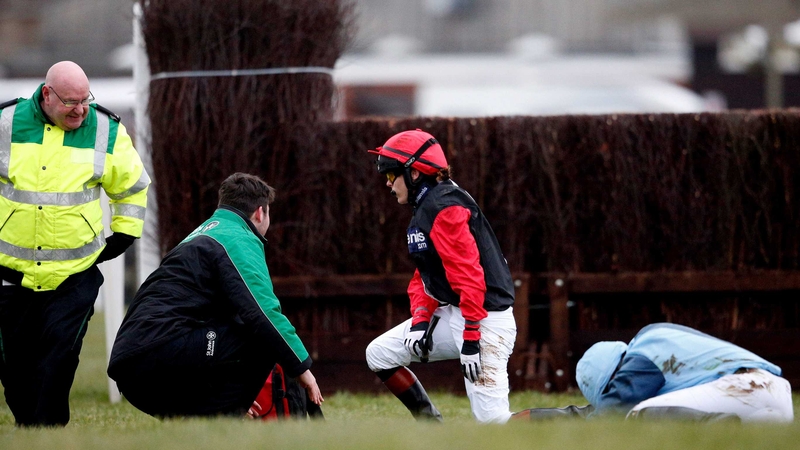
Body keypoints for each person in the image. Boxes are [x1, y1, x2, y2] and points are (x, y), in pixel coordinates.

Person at [0, 61, 150, 427]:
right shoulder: (6, 123)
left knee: (59, 356)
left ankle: (49, 430)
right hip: (9, 273)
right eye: (71, 101)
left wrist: (123, 237)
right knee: (14, 364)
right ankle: (31, 426)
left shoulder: (106, 130)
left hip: (74, 274)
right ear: (47, 94)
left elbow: (131, 186)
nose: (81, 109)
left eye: (85, 100)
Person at [108, 173, 322, 418]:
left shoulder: (200, 235)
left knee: (234, 333)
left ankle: (220, 417)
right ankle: (228, 417)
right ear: (260, 212)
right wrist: (304, 370)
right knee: (263, 339)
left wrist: (230, 397)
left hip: (131, 368)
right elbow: (264, 314)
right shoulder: (237, 238)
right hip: (160, 354)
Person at [364, 129, 517, 423]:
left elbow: (470, 276)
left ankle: (587, 417)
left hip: (484, 321)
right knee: (379, 354)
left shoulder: (443, 207)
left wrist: (471, 336)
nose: (387, 183)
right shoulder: (428, 204)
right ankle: (434, 428)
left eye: (391, 175)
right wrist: (421, 320)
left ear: (415, 173)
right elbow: (425, 274)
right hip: (461, 314)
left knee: (494, 423)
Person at [575, 322, 794, 422]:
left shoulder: (644, 348)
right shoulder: (658, 343)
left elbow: (615, 408)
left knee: (635, 415)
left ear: (615, 374)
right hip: (770, 394)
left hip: (747, 389)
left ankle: (718, 426)